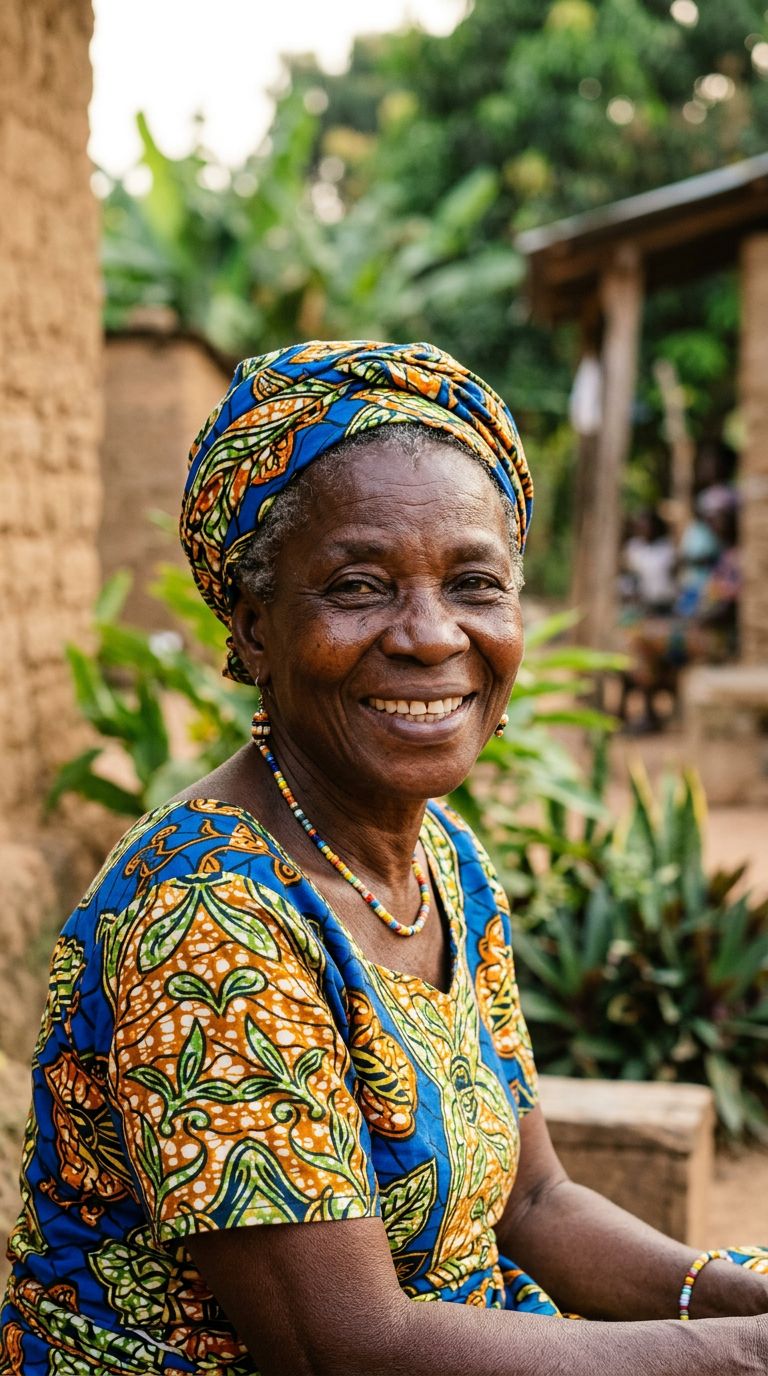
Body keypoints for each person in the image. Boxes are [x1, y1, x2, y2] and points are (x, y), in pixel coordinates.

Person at [1, 340, 767, 1376]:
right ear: (251, 624)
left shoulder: (441, 859)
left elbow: (534, 1201)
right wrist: (734, 1354)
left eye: (474, 581)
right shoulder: (202, 915)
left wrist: (730, 1293)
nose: (430, 634)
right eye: (359, 585)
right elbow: (347, 1344)